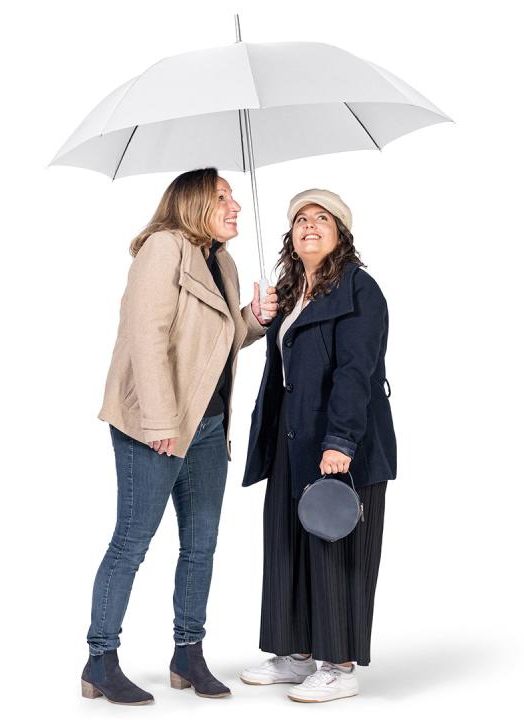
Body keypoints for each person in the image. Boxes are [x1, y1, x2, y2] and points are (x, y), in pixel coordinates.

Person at [81, 168, 278, 703]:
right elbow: (145, 338)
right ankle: (100, 659)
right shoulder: (162, 249)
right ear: (193, 203)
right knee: (131, 542)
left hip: (208, 426)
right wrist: (161, 423)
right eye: (223, 197)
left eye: (234, 197)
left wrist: (255, 318)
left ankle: (188, 654)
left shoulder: (223, 261)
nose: (235, 206)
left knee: (201, 545)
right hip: (156, 426)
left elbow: (217, 341)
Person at [240, 189, 396, 703]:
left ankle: (339, 665)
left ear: (340, 233)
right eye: (301, 219)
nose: (309, 225)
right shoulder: (290, 293)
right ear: (291, 235)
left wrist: (341, 440)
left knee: (336, 549)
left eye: (322, 218)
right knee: (286, 544)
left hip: (342, 442)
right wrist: (261, 315)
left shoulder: (359, 289)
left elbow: (356, 371)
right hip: (292, 438)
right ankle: (295, 655)